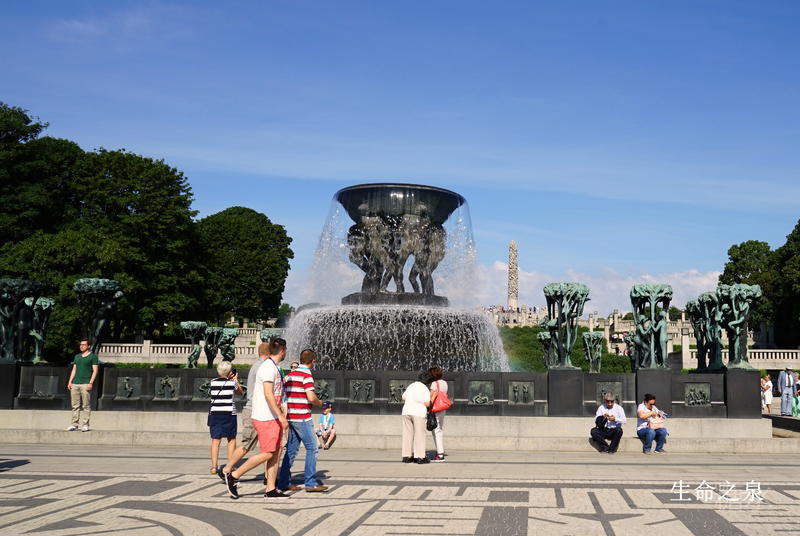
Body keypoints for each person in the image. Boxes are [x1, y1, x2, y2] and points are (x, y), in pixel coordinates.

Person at [224, 338, 287, 499]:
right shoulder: (267, 368)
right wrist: (281, 416)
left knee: (275, 452)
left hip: (272, 416)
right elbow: (268, 394)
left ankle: (270, 489)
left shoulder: (274, 367)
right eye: (285, 350)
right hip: (265, 416)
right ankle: (234, 475)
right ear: (282, 351)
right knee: (268, 453)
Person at [277, 349, 328, 493]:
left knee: (291, 450)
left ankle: (283, 482)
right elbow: (311, 397)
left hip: (291, 416)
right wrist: (320, 403)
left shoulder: (291, 375)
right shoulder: (306, 375)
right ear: (313, 361)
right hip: (302, 417)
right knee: (312, 448)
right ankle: (310, 483)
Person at [219, 342, 271, 479]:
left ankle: (269, 477)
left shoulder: (259, 365)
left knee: (268, 447)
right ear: (269, 353)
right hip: (254, 411)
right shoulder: (262, 367)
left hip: (259, 411)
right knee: (247, 444)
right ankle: (227, 469)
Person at [208, 361, 243, 475]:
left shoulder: (212, 382)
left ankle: (214, 467)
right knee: (231, 439)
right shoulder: (232, 383)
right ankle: (230, 465)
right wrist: (235, 380)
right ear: (229, 372)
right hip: (229, 413)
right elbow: (240, 392)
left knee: (215, 439)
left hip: (215, 414)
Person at [66, 339, 99, 432]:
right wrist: (70, 381)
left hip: (85, 383)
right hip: (75, 383)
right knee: (75, 405)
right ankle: (74, 424)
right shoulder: (77, 356)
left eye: (84, 344)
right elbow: (74, 370)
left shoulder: (93, 357)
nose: (81, 346)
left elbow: (95, 371)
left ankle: (85, 424)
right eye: (81, 344)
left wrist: (91, 383)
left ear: (88, 346)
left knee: (86, 405)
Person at [401, 371, 433, 464]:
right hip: (418, 413)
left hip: (406, 411)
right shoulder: (424, 388)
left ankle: (406, 456)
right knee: (419, 434)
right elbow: (427, 403)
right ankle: (419, 457)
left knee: (407, 434)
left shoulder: (411, 385)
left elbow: (403, 397)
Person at [428, 366, 447, 462]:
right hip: (442, 408)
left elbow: (430, 396)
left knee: (436, 430)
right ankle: (440, 451)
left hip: (436, 408)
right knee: (439, 429)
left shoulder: (434, 384)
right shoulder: (444, 383)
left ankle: (440, 455)